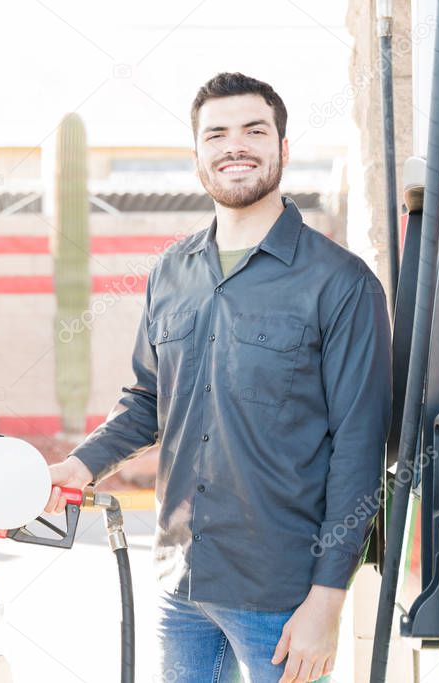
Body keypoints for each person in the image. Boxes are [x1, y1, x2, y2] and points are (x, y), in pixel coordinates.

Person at [45, 72, 392, 683]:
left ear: (283, 149)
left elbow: (359, 450)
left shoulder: (342, 284)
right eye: (218, 134)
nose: (236, 145)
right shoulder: (170, 272)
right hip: (180, 581)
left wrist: (328, 597)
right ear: (198, 156)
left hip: (282, 596)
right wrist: (81, 465)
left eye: (255, 130)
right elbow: (149, 400)